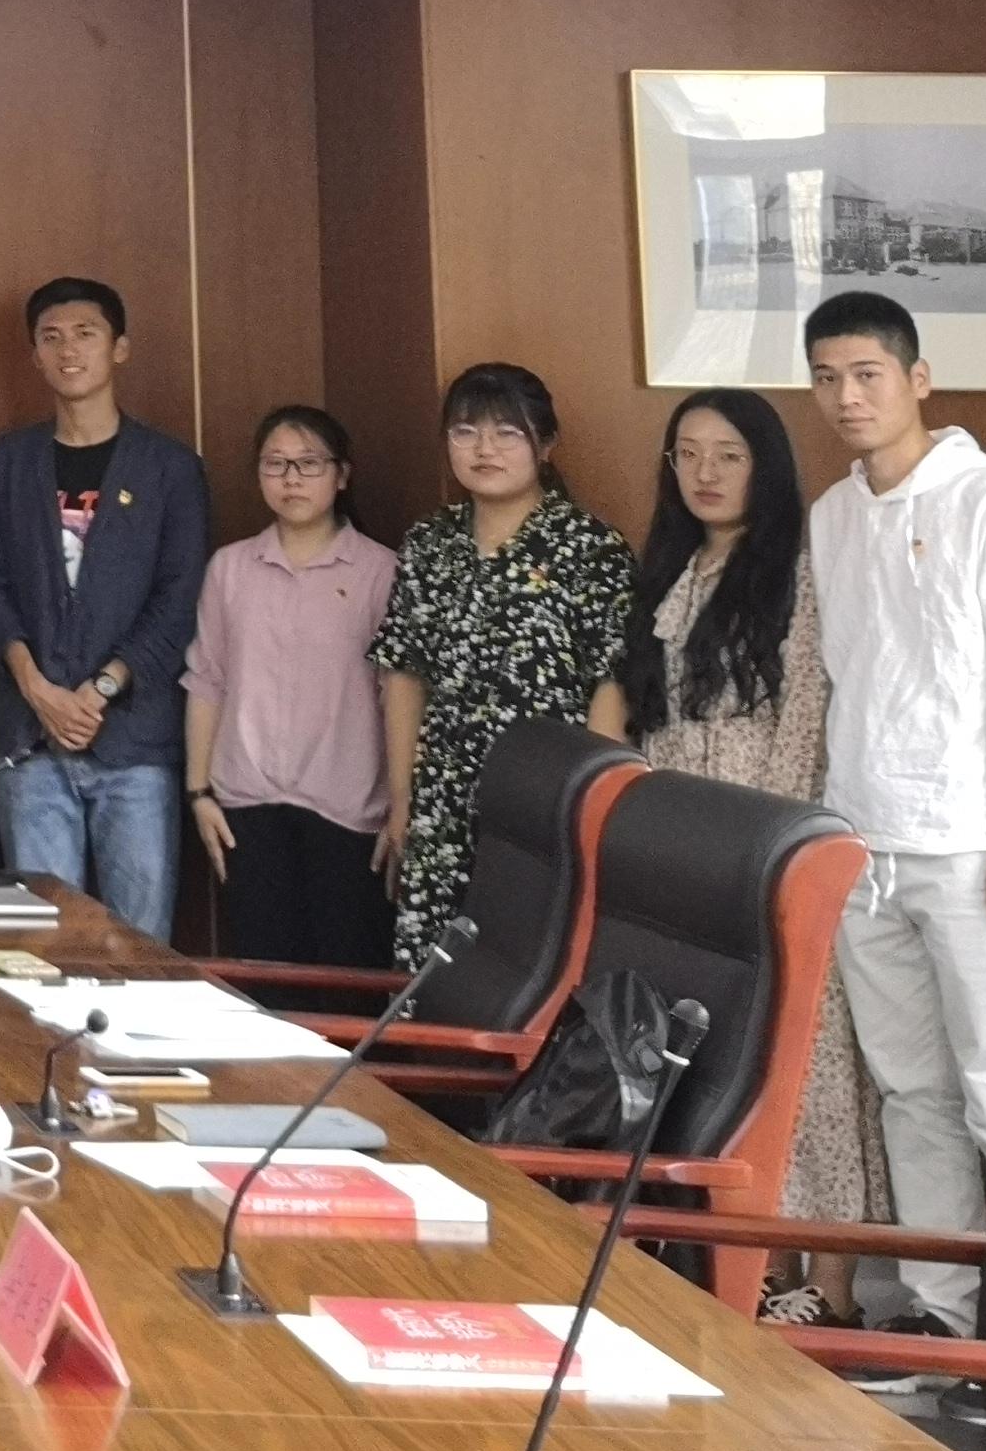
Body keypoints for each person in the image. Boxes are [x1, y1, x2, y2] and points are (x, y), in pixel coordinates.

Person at [805, 287, 986, 1339]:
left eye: (867, 374)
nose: (847, 396)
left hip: (974, 847)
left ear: (918, 379)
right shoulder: (832, 515)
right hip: (863, 845)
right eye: (827, 378)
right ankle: (945, 1322)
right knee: (911, 1094)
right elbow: (849, 676)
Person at [613, 383, 890, 1324]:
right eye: (687, 453)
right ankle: (748, 1265)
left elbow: (804, 723)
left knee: (807, 1065)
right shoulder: (672, 570)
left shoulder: (798, 574)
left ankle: (832, 1286)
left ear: (765, 466)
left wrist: (773, 858)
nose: (706, 472)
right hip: (688, 858)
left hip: (771, 856)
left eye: (728, 454)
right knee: (724, 1067)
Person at [367, 361, 638, 968]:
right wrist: (403, 799)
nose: (483, 449)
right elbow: (404, 674)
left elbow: (610, 684)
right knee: (437, 976)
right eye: (465, 432)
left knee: (532, 971)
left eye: (506, 433)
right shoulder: (430, 543)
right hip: (443, 798)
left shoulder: (591, 548)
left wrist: (589, 809)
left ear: (546, 445)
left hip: (548, 800)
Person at [0, 276, 208, 938]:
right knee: (40, 944)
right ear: (35, 355)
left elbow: (179, 598)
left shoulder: (169, 467)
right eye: (51, 337)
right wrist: (37, 688)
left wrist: (100, 689)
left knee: (137, 947)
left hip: (134, 743)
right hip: (30, 739)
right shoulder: (9, 463)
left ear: (119, 348)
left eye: (85, 334)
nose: (68, 350)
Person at [182, 403, 396, 968]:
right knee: (265, 980)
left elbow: (397, 698)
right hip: (247, 806)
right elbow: (207, 681)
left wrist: (402, 806)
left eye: (309, 463)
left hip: (350, 810)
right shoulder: (229, 569)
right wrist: (199, 793)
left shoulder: (381, 571)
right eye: (275, 463)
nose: (291, 478)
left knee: (347, 978)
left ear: (342, 475)